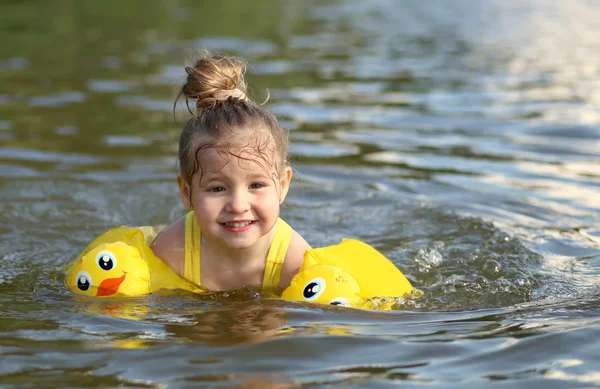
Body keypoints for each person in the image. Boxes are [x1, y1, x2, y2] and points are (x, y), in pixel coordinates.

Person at [151, 53, 311, 294]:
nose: (237, 205)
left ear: (282, 185)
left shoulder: (295, 263)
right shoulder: (170, 251)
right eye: (217, 188)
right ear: (187, 193)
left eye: (256, 185)